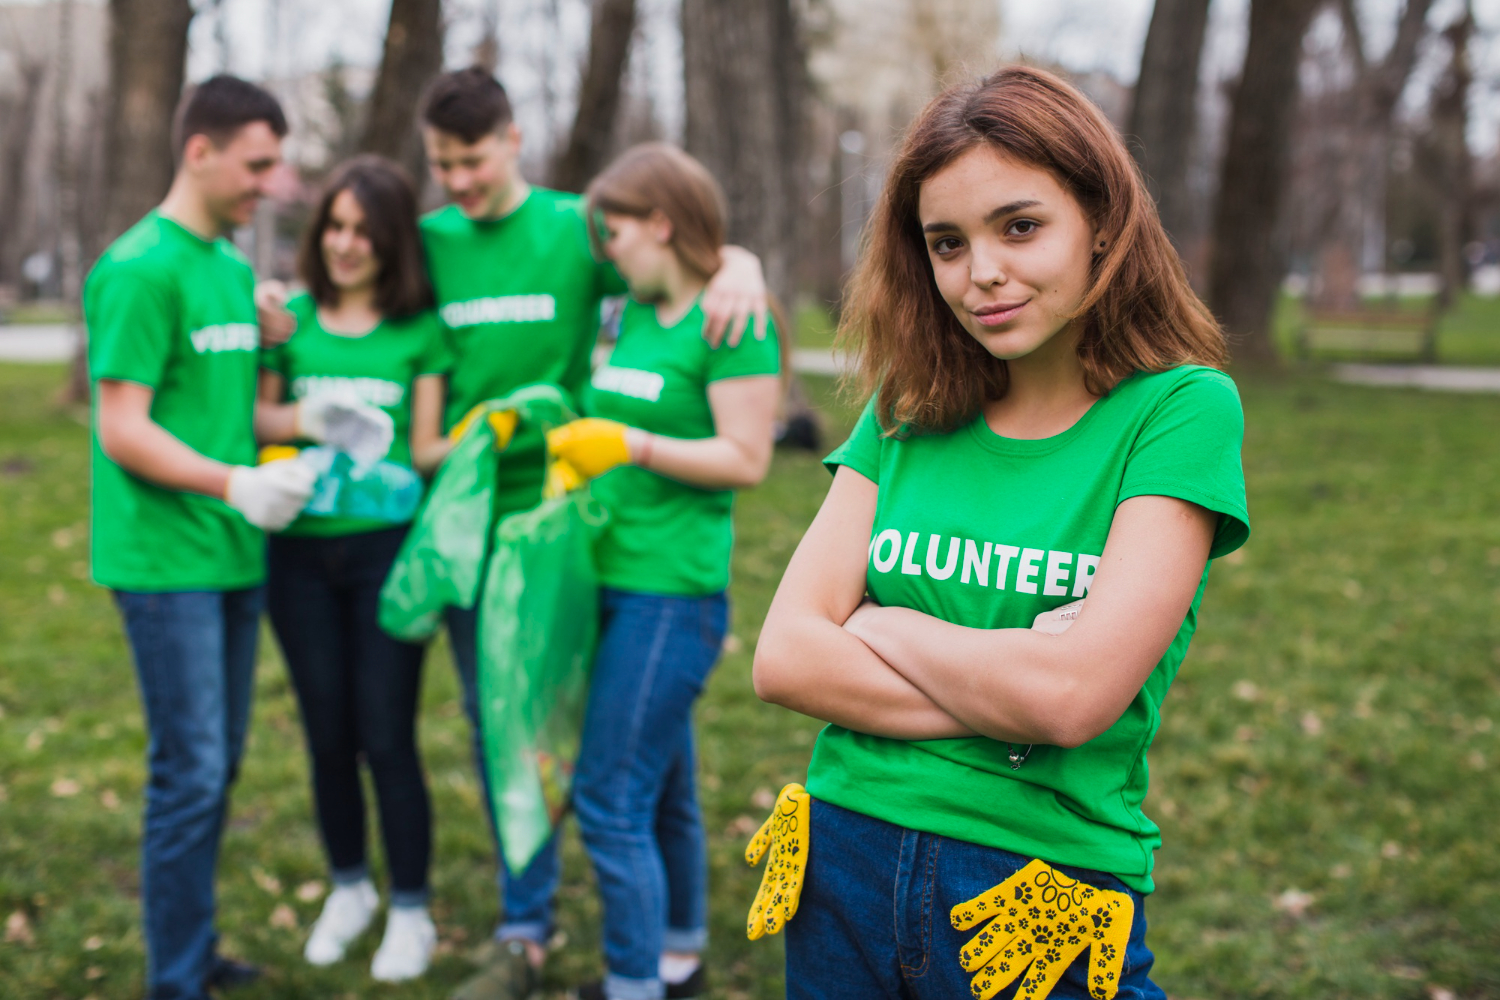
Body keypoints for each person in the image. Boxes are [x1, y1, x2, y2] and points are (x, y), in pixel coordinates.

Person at [749, 66, 1250, 1000]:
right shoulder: (906, 408)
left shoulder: (1179, 412)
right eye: (947, 243)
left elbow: (1070, 701)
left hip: (1037, 897)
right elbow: (784, 658)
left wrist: (884, 629)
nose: (981, 272)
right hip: (840, 865)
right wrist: (1009, 677)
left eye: (1020, 226)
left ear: (1102, 220)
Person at [339, 67, 775, 1000]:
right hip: (478, 533)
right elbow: (349, 304)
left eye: (471, 159)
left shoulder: (583, 228)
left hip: (576, 535)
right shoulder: (426, 243)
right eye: (440, 164)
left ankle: (663, 961)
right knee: (509, 734)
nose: (456, 180)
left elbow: (685, 254)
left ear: (514, 141)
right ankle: (524, 931)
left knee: (634, 770)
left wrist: (743, 263)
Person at [84, 76, 323, 1000]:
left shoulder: (227, 268)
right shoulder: (140, 267)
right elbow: (125, 430)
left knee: (215, 766)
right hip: (163, 559)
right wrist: (235, 482)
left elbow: (236, 416)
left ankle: (193, 947)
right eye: (257, 163)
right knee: (188, 772)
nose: (269, 182)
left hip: (230, 549)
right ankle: (174, 979)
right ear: (201, 150)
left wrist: (292, 377)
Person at [543, 142, 781, 1000]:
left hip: (671, 596)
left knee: (607, 801)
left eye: (617, 232)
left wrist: (630, 444)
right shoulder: (639, 308)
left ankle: (632, 985)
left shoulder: (733, 321)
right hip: (610, 578)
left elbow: (748, 457)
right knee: (666, 788)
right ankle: (678, 954)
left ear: (662, 223)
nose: (607, 251)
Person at [252, 155, 453, 982]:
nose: (344, 244)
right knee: (326, 732)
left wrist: (486, 438)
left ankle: (410, 909)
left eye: (363, 232)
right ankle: (349, 889)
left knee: (385, 733)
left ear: (391, 241)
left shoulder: (420, 331)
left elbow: (426, 448)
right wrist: (309, 416)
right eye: (333, 226)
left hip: (385, 558)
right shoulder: (289, 321)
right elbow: (256, 414)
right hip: (296, 553)